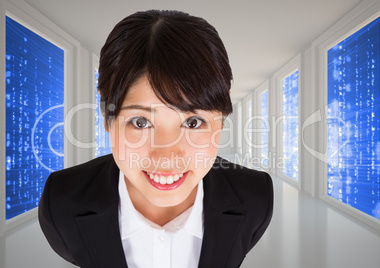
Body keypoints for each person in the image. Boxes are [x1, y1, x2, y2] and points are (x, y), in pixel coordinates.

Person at [39, 10, 273, 268]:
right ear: (107, 114)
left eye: (193, 122)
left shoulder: (256, 199)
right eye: (140, 123)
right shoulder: (60, 203)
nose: (167, 158)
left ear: (223, 113)